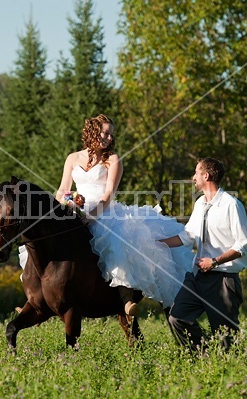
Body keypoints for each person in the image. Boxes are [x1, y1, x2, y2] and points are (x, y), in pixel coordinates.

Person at [53, 114, 193, 316]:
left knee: (116, 241)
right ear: (93, 131)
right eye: (106, 133)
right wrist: (66, 203)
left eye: (111, 135)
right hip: (75, 209)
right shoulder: (73, 158)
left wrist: (90, 217)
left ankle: (126, 298)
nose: (109, 138)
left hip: (103, 211)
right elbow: (61, 190)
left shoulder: (113, 160)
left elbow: (108, 195)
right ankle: (40, 297)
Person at [158, 158, 247, 352]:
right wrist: (159, 244)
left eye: (196, 173)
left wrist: (215, 261)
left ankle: (227, 369)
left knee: (226, 339)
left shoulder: (231, 205)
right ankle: (203, 357)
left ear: (206, 176)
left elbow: (243, 245)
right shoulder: (200, 203)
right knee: (177, 317)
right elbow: (188, 236)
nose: (193, 178)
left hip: (224, 280)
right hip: (198, 277)